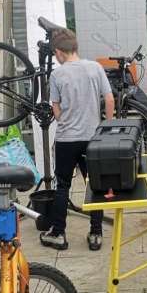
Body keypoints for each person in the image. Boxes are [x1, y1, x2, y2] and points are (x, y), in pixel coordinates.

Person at [39, 28, 114, 251]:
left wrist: (64, 119)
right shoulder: (95, 67)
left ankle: (59, 234)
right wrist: (106, 127)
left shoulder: (57, 74)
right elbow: (109, 99)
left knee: (63, 185)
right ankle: (96, 234)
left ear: (59, 52)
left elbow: (55, 106)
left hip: (66, 139)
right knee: (95, 185)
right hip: (92, 138)